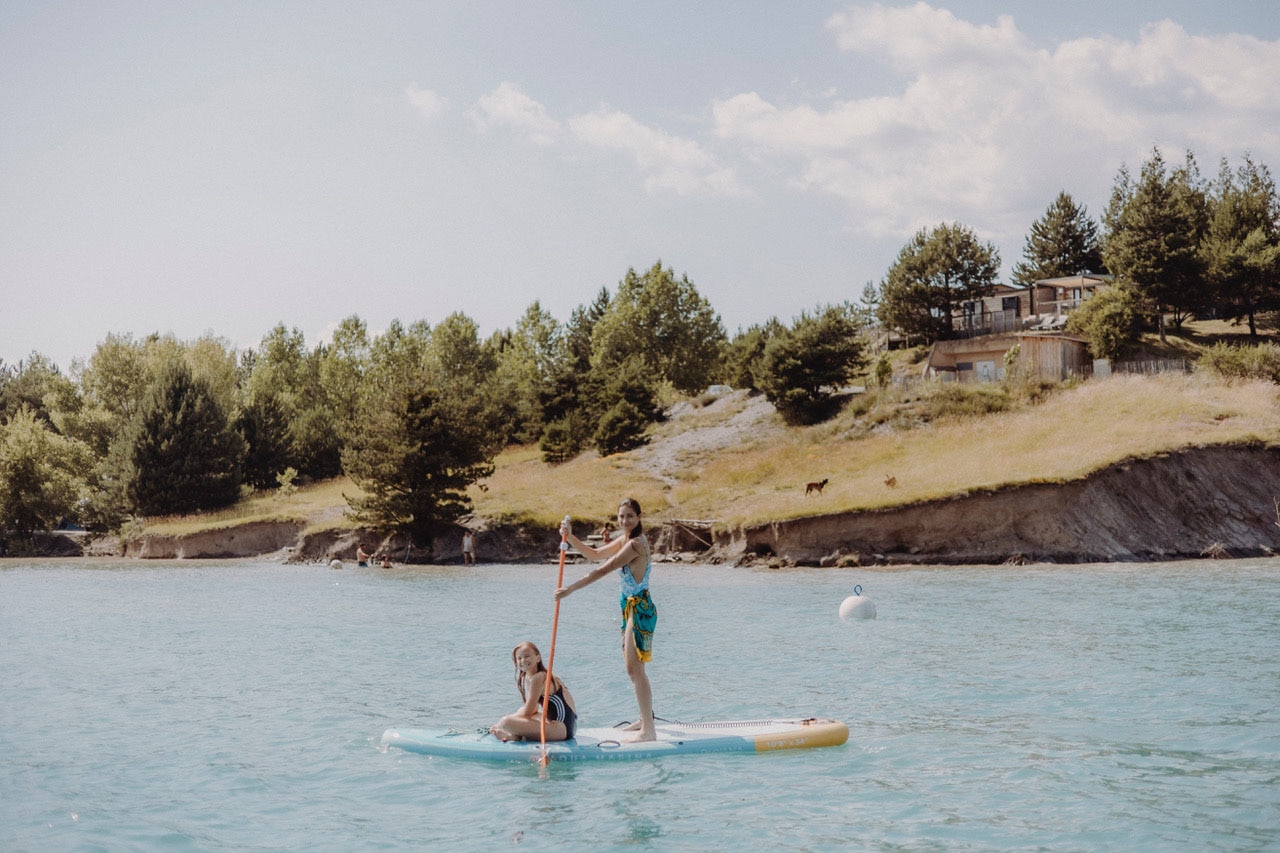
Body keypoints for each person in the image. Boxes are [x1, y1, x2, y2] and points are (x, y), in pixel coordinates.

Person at [555, 498, 657, 742]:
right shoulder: (626, 539)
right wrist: (570, 538)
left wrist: (571, 589)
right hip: (629, 609)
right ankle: (645, 719)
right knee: (634, 669)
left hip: (640, 609)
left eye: (630, 516)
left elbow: (603, 569)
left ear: (639, 518)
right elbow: (594, 554)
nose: (625, 521)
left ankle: (649, 731)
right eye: (621, 516)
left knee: (634, 669)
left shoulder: (636, 544)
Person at [489, 641, 577, 742]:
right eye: (519, 658)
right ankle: (516, 734)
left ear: (538, 658)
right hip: (564, 727)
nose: (523, 660)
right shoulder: (529, 676)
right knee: (519, 712)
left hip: (563, 729)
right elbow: (533, 709)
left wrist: (500, 723)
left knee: (505, 722)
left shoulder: (539, 677)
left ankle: (515, 736)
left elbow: (527, 713)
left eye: (527, 656)